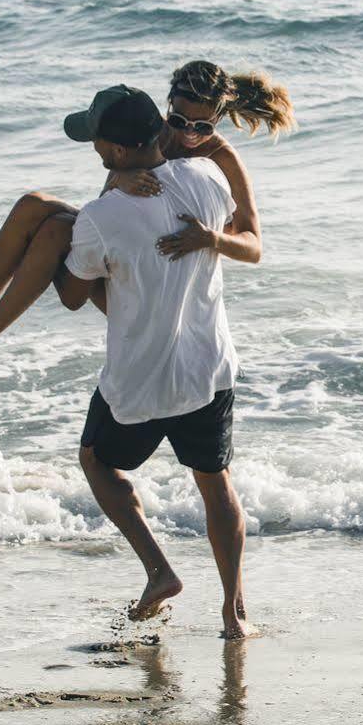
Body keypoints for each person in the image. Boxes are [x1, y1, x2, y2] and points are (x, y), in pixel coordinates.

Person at [49, 84, 253, 639]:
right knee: (216, 484)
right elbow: (241, 235)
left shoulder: (99, 216)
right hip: (207, 369)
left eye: (95, 142)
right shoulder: (210, 180)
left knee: (96, 460)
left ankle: (159, 571)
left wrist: (54, 244)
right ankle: (234, 614)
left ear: (113, 152)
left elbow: (72, 294)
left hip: (139, 380)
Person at [0, 61, 292, 364]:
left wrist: (211, 238)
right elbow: (105, 207)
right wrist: (120, 181)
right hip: (126, 259)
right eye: (179, 121)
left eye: (203, 127)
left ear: (219, 119)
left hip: (158, 291)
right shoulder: (152, 135)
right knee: (32, 206)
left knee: (53, 230)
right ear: (168, 109)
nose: (188, 135)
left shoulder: (223, 159)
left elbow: (254, 246)